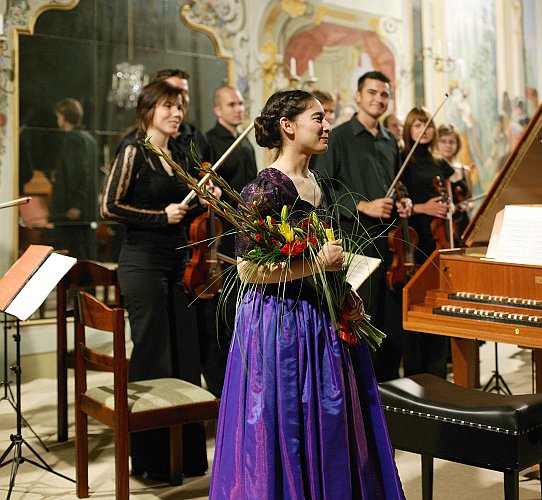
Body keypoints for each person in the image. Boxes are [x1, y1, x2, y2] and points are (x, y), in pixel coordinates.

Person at [209, 89, 404, 499]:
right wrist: (316, 264)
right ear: (287, 126)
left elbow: (327, 251)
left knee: (331, 421)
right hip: (277, 321)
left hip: (320, 316)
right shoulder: (264, 189)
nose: (327, 125)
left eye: (326, 118)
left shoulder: (318, 182)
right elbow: (247, 268)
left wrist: (345, 291)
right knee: (285, 423)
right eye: (317, 118)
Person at [100, 80, 215, 479]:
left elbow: (194, 204)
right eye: (167, 106)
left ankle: (184, 460)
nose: (176, 113)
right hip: (142, 263)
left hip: (179, 262)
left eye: (180, 107)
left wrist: (205, 194)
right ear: (148, 110)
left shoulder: (180, 153)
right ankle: (151, 461)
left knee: (185, 357)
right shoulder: (134, 150)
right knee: (153, 357)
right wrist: (158, 217)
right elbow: (108, 205)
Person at [312, 71, 411, 382]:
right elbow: (323, 187)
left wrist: (402, 199)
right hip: (356, 241)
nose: (378, 99)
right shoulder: (338, 137)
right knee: (359, 324)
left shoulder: (388, 141)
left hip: (389, 244)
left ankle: (390, 399)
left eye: (384, 94)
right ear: (358, 96)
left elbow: (395, 184)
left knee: (390, 326)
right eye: (372, 93)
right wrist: (362, 205)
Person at [198, 85, 259, 397]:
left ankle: (239, 389)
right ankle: (221, 394)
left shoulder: (245, 142)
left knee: (240, 318)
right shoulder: (209, 141)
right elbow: (207, 191)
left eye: (240, 103)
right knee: (219, 323)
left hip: (245, 237)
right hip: (222, 240)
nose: (238, 108)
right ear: (217, 110)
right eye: (231, 104)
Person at [401, 108, 454, 378]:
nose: (424, 129)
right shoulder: (403, 160)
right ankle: (416, 373)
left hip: (438, 240)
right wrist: (424, 207)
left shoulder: (438, 161)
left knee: (438, 306)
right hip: (415, 239)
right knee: (417, 303)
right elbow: (404, 203)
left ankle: (439, 372)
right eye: (418, 124)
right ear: (409, 128)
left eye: (428, 125)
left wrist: (449, 208)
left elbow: (449, 197)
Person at [115, 68, 211, 162]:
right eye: (168, 104)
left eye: (184, 92)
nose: (181, 97)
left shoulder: (196, 136)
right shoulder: (132, 146)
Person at [48, 98, 98, 259]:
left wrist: (76, 204)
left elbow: (78, 173)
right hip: (86, 210)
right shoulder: (89, 139)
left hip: (71, 211)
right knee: (84, 255)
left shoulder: (73, 139)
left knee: (69, 257)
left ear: (63, 117)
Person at [437, 123, 473, 240]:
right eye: (443, 141)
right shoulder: (435, 169)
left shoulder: (464, 170)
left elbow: (470, 200)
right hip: (443, 224)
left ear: (457, 145)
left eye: (452, 142)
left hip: (463, 222)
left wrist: (468, 206)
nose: (448, 145)